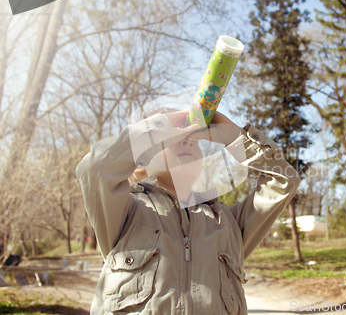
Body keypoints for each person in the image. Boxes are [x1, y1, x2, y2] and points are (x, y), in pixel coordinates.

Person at [76, 108, 300, 315]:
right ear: (140, 164)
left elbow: (283, 181)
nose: (187, 141)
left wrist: (236, 138)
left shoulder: (228, 222)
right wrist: (159, 127)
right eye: (172, 139)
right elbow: (94, 171)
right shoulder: (126, 211)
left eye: (192, 139)